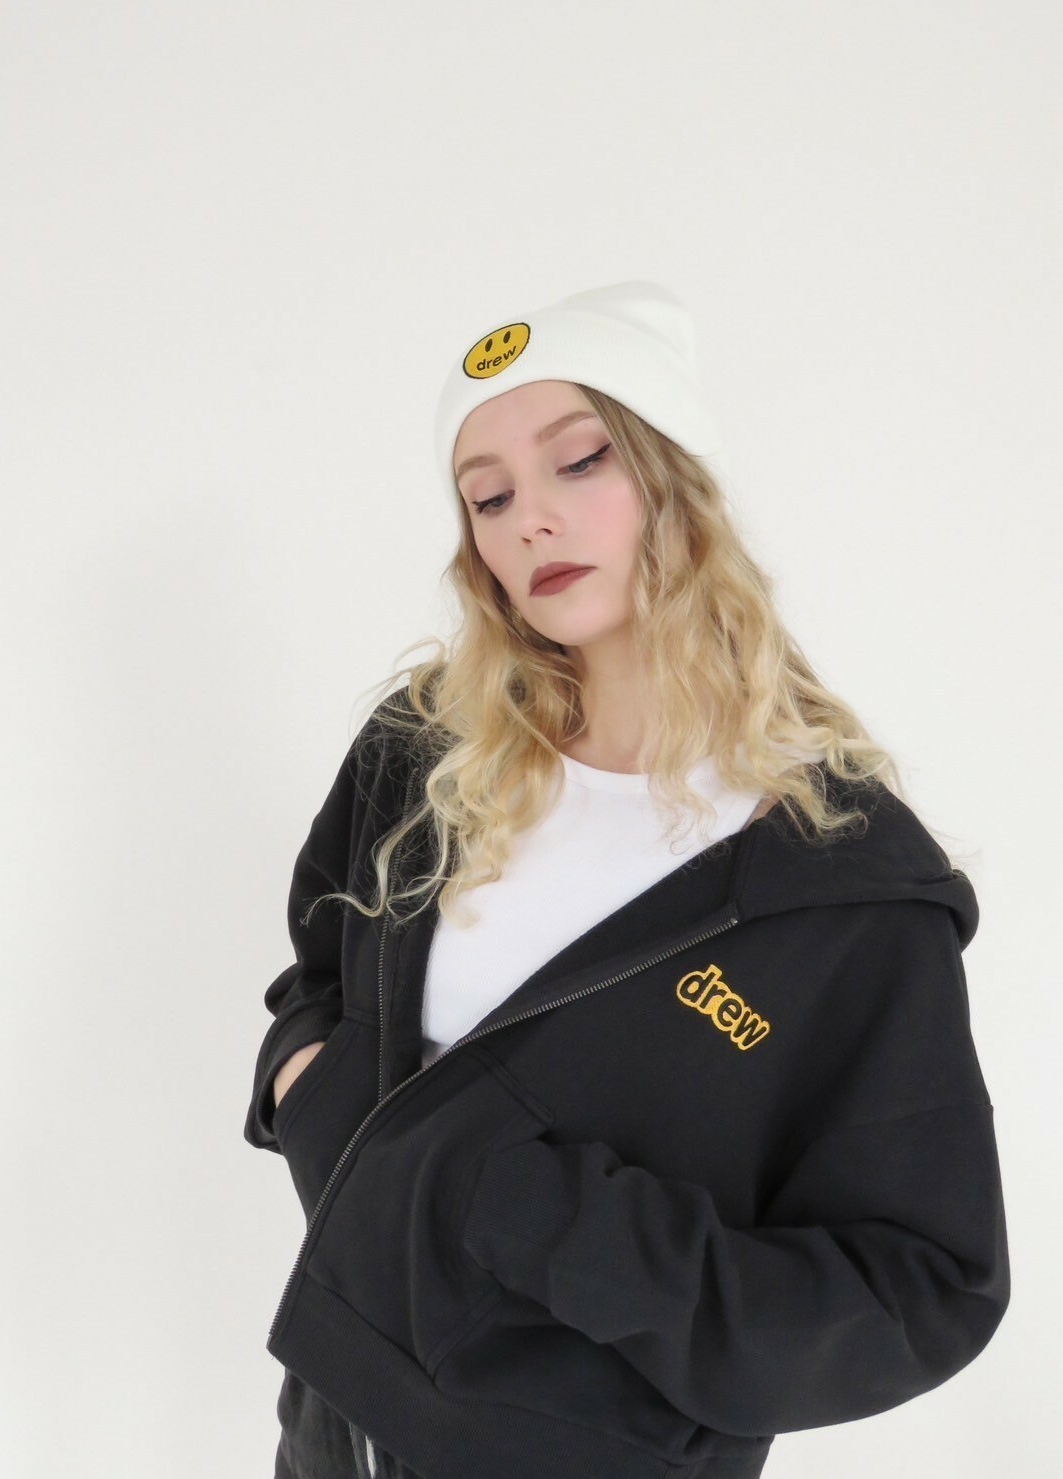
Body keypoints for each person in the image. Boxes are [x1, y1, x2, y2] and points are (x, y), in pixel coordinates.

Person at [244, 281, 1010, 1479]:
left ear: (674, 479)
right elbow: (321, 977)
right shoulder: (425, 751)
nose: (530, 523)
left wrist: (531, 1215)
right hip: (338, 1423)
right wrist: (307, 1091)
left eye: (578, 461)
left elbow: (918, 1287)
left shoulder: (840, 884)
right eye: (488, 497)